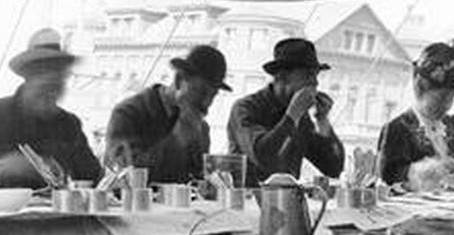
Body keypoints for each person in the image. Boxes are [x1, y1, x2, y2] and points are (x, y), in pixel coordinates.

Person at [0, 28, 101, 187]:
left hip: (53, 214)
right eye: (44, 73)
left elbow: (95, 180)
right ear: (27, 75)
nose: (52, 80)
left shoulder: (68, 125)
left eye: (58, 75)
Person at [377, 37, 454, 190]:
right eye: (440, 98)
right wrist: (428, 171)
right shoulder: (396, 129)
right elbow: (389, 177)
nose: (446, 105)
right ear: (420, 89)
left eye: (451, 97)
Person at [104, 45, 231, 183]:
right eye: (200, 92)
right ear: (179, 80)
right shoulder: (128, 114)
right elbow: (126, 174)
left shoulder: (201, 128)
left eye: (213, 95)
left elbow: (197, 179)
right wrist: (177, 140)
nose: (206, 103)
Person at [228, 38, 345, 185]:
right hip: (246, 202)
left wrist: (323, 120)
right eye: (308, 75)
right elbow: (263, 156)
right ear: (282, 77)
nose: (315, 83)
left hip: (286, 202)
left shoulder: (301, 119)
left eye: (316, 76)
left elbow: (333, 168)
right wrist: (292, 115)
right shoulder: (245, 108)